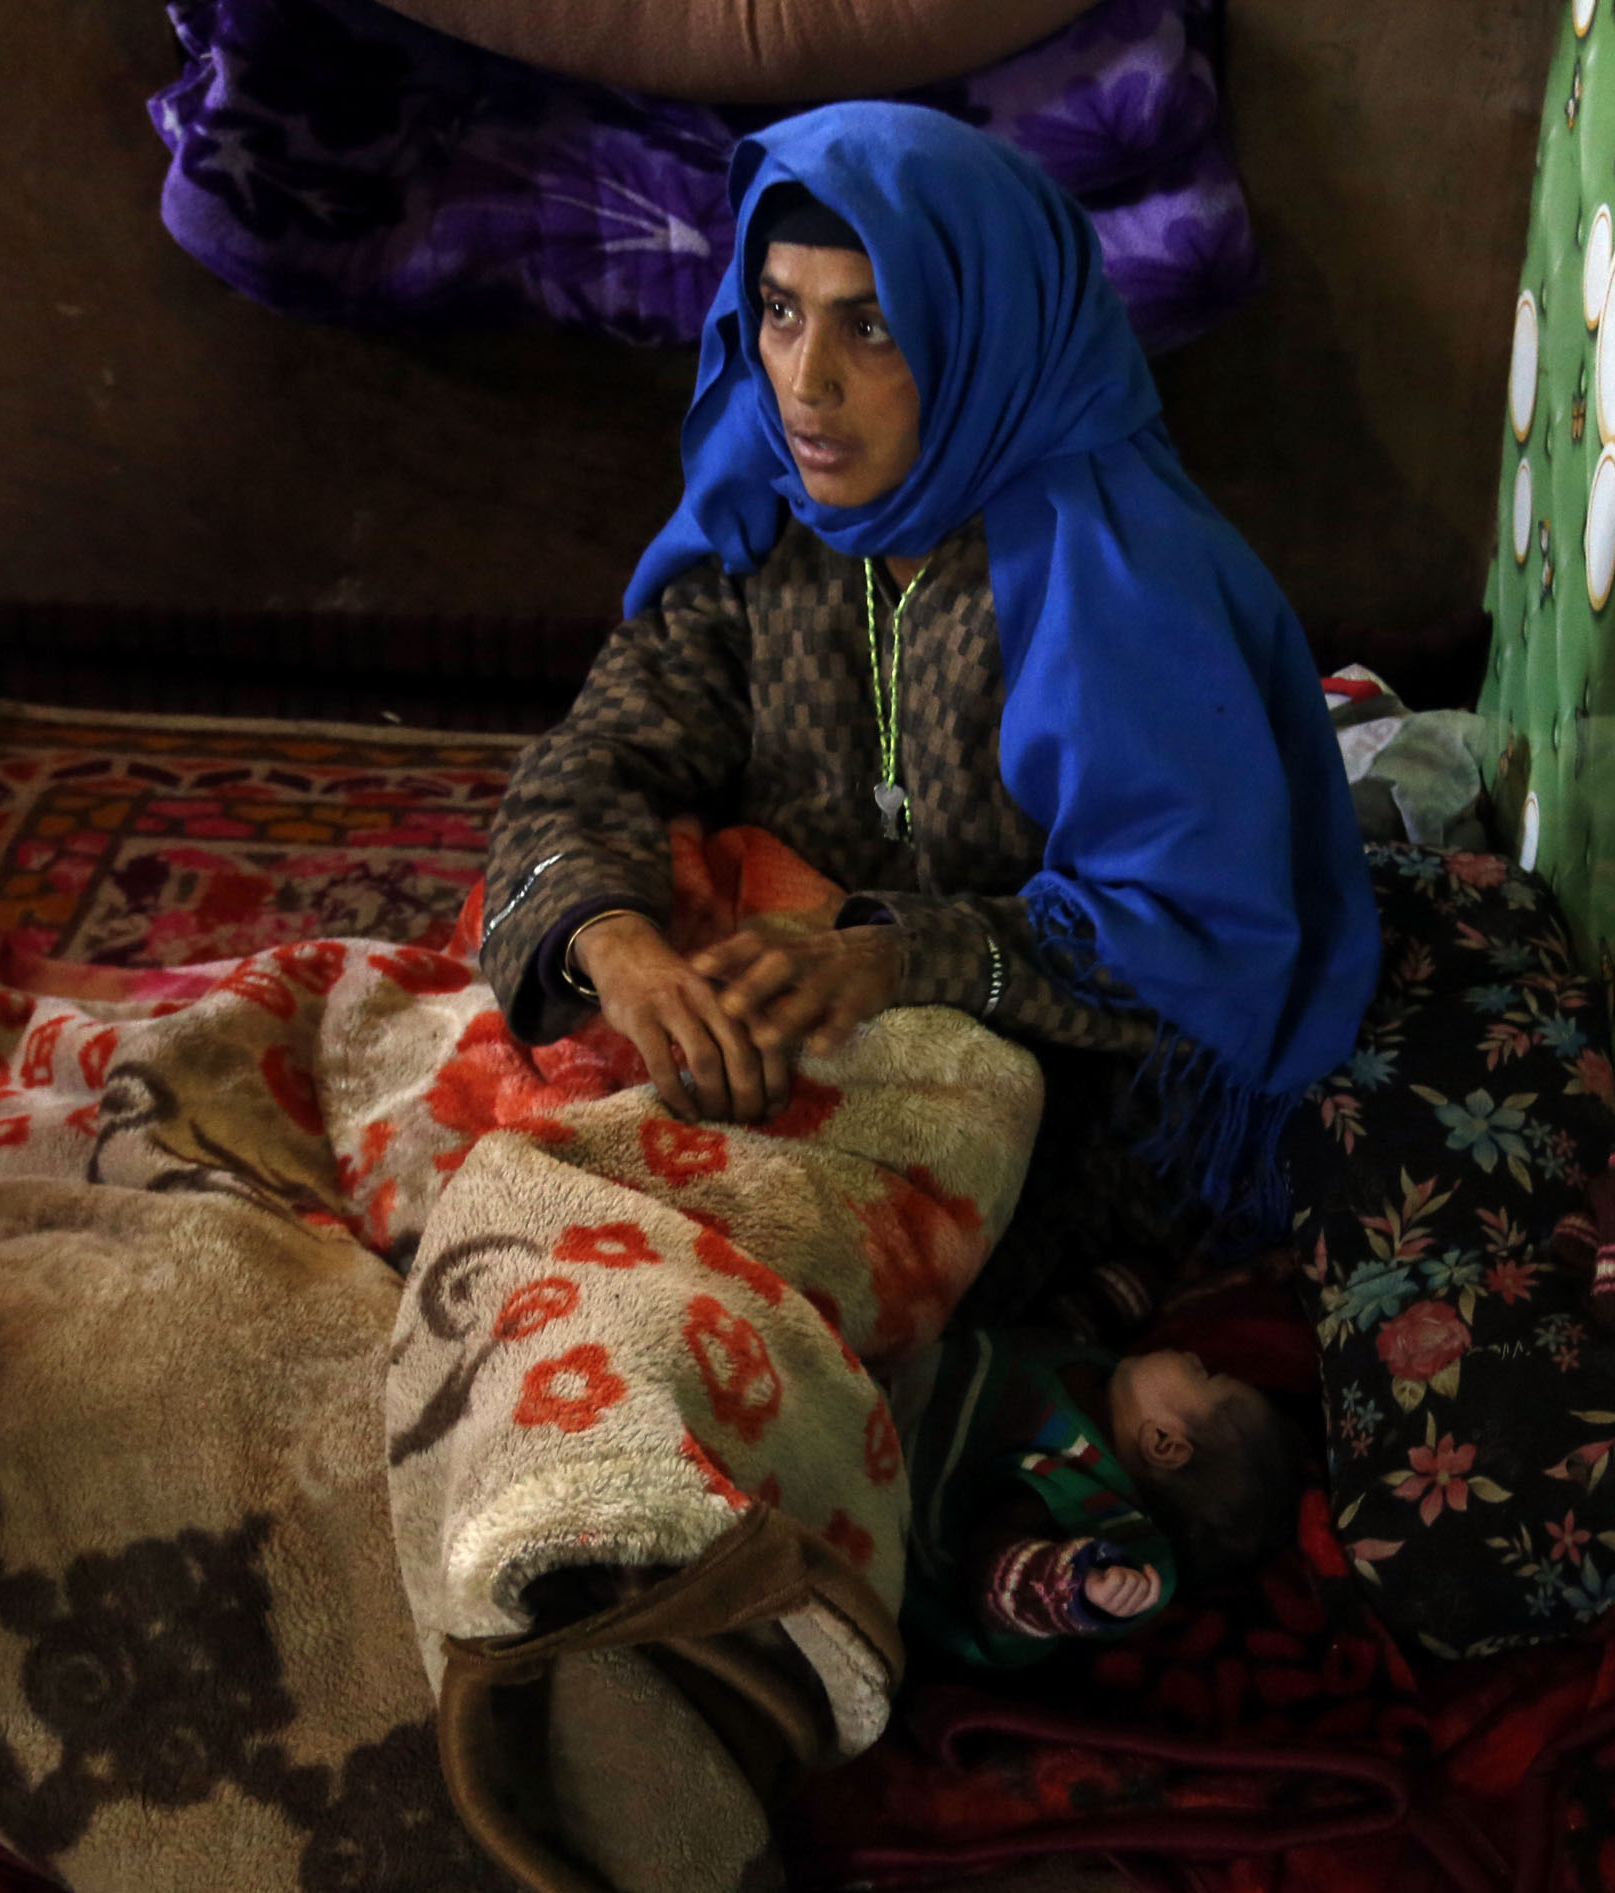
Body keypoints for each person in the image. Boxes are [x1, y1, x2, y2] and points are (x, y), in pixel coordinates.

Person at [477, 101, 1379, 1330]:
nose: (805, 382)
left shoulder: (1119, 581)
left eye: (873, 325)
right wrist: (618, 950)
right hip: (788, 1032)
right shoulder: (767, 520)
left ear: (980, 336)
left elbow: (1194, 939)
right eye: (780, 310)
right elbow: (593, 761)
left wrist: (898, 956)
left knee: (717, 1306)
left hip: (1046, 1081)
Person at [884, 1326, 1303, 1667]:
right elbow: (1075, 1316)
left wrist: (1073, 1589)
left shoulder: (1074, 1494)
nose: (1195, 1357)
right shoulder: (1105, 1377)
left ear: (1163, 1443)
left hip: (884, 1465)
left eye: (1204, 1374)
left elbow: (989, 1578)